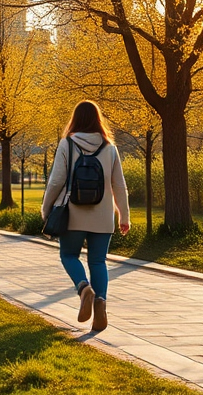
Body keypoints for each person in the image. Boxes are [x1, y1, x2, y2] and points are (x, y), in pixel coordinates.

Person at [41, 100, 129, 332]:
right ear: (98, 119)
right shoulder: (110, 147)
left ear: (76, 119)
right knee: (98, 261)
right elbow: (119, 185)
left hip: (73, 213)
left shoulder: (67, 144)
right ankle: (100, 303)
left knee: (69, 255)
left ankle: (83, 289)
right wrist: (124, 216)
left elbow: (56, 181)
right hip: (102, 215)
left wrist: (46, 207)